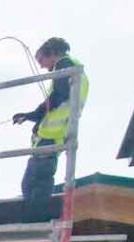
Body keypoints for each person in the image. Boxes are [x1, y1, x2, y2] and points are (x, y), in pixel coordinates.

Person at [12, 37, 89, 211]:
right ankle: (36, 216)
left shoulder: (64, 65)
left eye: (41, 60)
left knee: (33, 185)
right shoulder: (74, 71)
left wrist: (33, 114)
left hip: (51, 137)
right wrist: (30, 116)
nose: (41, 65)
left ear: (53, 53)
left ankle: (35, 218)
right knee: (37, 183)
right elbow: (57, 102)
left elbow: (57, 98)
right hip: (54, 137)